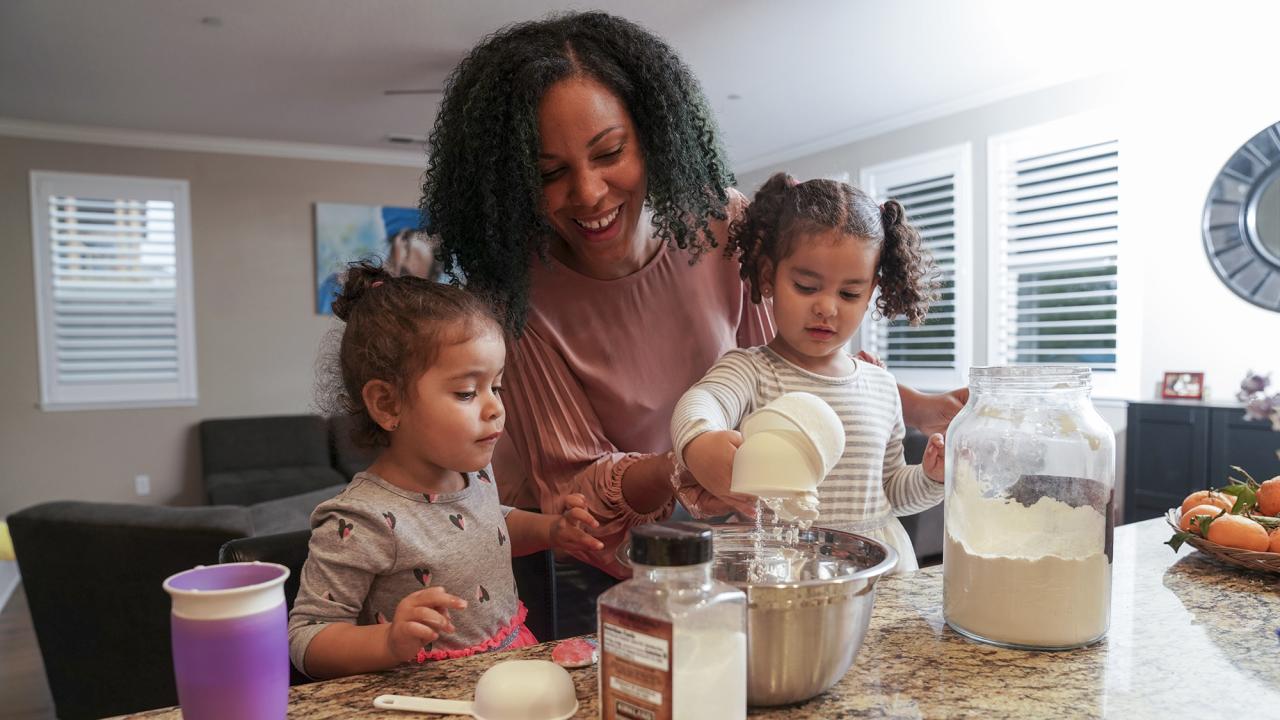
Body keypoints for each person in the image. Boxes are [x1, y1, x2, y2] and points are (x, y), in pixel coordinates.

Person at [420, 11, 966, 580]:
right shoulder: (517, 296)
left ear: (654, 136)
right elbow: (574, 492)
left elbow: (794, 357)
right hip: (603, 557)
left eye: (609, 153)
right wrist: (689, 459)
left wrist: (914, 405)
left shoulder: (724, 227)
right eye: (549, 172)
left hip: (748, 545)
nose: (586, 192)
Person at [288, 261, 603, 679]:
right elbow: (306, 638)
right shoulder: (361, 520)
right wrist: (388, 642)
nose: (495, 408)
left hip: (507, 668)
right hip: (424, 693)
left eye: (498, 386)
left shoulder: (475, 476)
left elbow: (491, 527)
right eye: (467, 392)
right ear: (387, 404)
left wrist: (549, 530)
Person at [672, 173, 946, 573]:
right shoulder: (751, 370)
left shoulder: (881, 386)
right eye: (806, 286)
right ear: (769, 276)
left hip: (877, 574)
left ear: (871, 292)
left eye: (849, 294)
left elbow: (892, 491)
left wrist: (931, 478)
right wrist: (699, 441)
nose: (827, 308)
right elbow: (702, 401)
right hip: (783, 570)